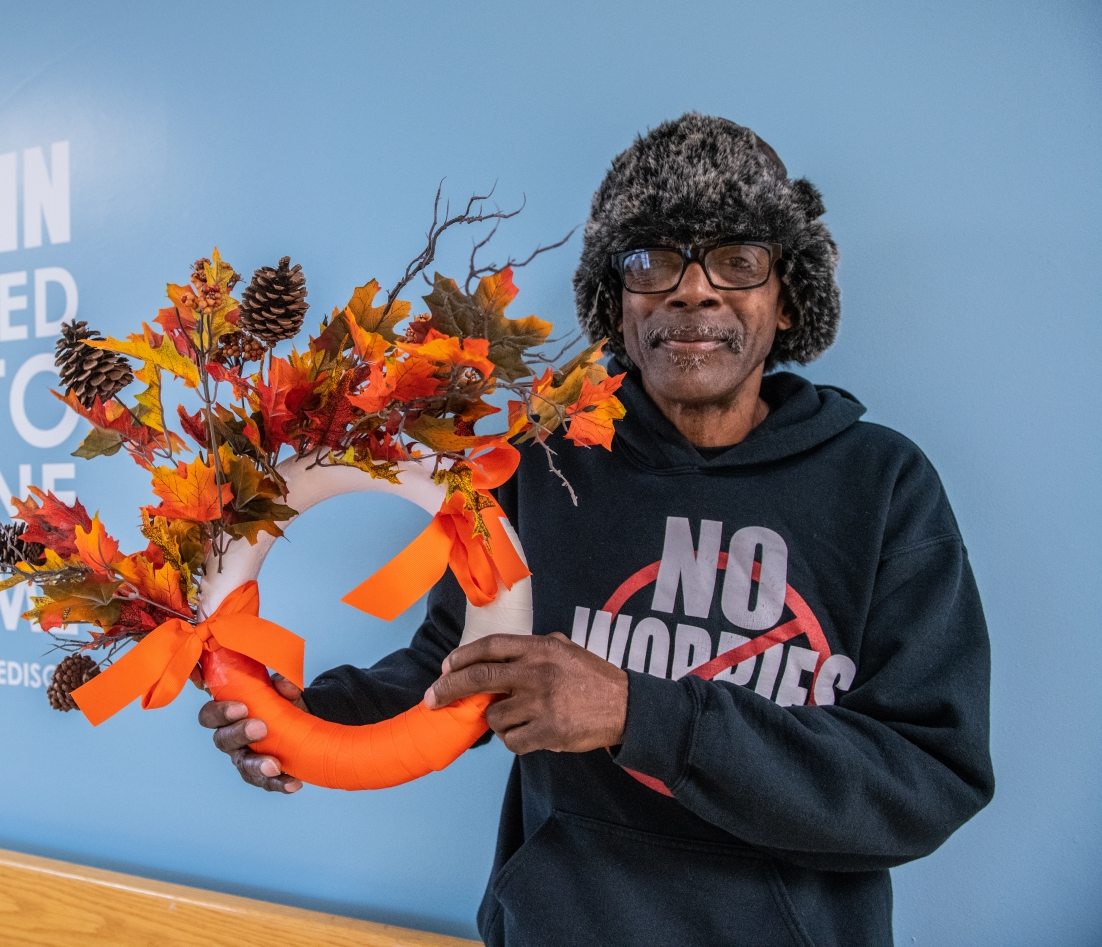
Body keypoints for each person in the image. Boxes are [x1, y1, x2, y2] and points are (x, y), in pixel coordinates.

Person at [198, 112, 994, 946]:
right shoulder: (538, 470)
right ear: (618, 303)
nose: (694, 288)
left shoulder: (883, 485)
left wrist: (636, 712)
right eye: (652, 261)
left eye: (738, 260)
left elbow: (926, 776)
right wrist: (310, 715)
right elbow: (454, 665)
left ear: (787, 297)